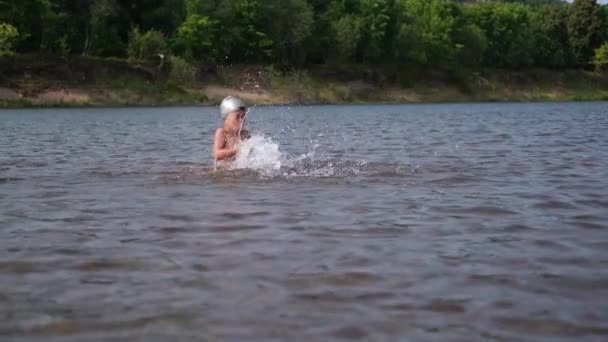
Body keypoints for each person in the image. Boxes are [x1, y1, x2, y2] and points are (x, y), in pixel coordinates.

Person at [212, 96, 250, 161]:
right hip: (224, 169)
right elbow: (216, 154)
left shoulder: (244, 134)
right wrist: (235, 150)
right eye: (237, 117)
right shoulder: (222, 132)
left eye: (243, 116)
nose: (241, 120)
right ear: (226, 119)